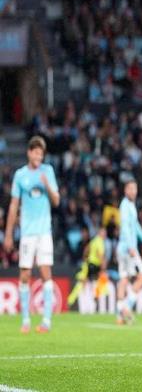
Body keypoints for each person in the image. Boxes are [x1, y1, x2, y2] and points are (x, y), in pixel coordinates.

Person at [3, 136, 60, 333]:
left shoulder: (48, 171)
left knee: (45, 273)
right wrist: (9, 234)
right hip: (27, 233)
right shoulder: (20, 175)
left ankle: (46, 321)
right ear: (29, 153)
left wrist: (47, 185)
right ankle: (25, 320)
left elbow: (56, 201)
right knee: (25, 274)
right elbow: (14, 206)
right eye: (36, 153)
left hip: (44, 232)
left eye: (41, 154)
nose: (38, 157)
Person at [115, 179, 142, 324]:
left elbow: (135, 226)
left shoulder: (129, 205)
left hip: (122, 248)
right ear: (125, 190)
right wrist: (131, 246)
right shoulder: (125, 205)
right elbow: (124, 226)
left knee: (124, 279)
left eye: (135, 189)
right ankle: (127, 307)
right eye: (130, 189)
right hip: (128, 248)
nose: (133, 191)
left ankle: (119, 315)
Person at [67, 227, 108, 307]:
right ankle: (96, 297)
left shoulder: (94, 240)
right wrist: (103, 267)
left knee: (83, 282)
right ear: (100, 233)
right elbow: (100, 255)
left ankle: (71, 300)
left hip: (88, 264)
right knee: (102, 278)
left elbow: (86, 249)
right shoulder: (100, 242)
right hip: (94, 265)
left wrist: (85, 259)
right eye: (104, 233)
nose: (105, 235)